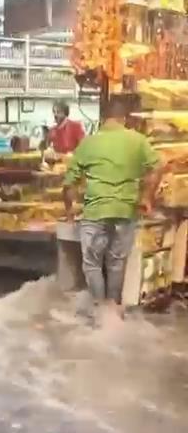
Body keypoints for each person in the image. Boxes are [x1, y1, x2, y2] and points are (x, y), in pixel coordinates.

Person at [63, 96, 162, 311]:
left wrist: (70, 210)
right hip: (125, 211)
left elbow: (69, 182)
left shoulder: (88, 143)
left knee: (92, 263)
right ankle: (114, 311)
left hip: (95, 212)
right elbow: (157, 168)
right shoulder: (138, 140)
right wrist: (147, 197)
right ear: (124, 118)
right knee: (116, 263)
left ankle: (100, 310)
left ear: (103, 118)